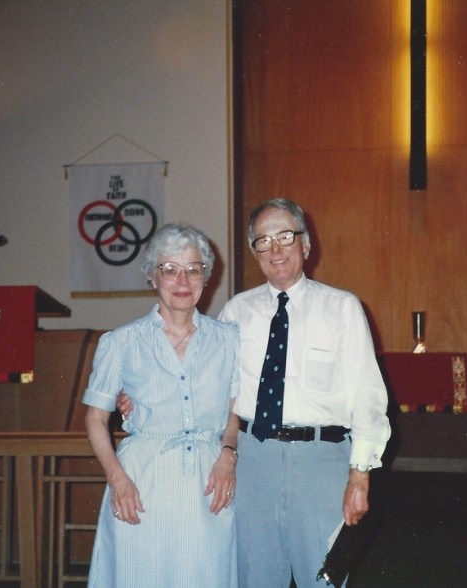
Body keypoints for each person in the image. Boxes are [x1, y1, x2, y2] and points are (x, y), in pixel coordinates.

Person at [217, 198, 391, 587]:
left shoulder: (342, 308)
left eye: (285, 236)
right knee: (254, 579)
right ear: (254, 252)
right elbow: (212, 389)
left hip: (321, 462)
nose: (275, 249)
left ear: (306, 244)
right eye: (263, 241)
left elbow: (367, 396)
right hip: (253, 461)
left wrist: (359, 477)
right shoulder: (234, 313)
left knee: (323, 580)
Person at [82, 222, 240, 587]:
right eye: (169, 269)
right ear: (153, 277)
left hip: (209, 479)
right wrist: (117, 478)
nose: (182, 280)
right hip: (142, 481)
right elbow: (95, 418)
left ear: (206, 278)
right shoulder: (121, 342)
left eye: (193, 269)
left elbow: (236, 408)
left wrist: (228, 456)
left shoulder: (229, 339)